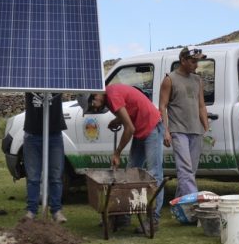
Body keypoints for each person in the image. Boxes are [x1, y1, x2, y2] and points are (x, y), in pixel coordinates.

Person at [88, 83, 164, 233]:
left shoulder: (112, 95)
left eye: (93, 105)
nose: (95, 109)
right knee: (130, 173)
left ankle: (153, 219)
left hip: (151, 127)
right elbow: (129, 111)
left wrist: (117, 152)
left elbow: (130, 128)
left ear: (96, 95)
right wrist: (117, 120)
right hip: (141, 129)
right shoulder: (109, 96)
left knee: (154, 175)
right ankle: (124, 216)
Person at [159, 47, 210, 200]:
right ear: (183, 60)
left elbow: (201, 105)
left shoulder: (197, 80)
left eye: (197, 61)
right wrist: (166, 131)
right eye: (193, 61)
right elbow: (162, 106)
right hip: (178, 130)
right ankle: (193, 205)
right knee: (185, 170)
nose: (196, 65)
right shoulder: (170, 79)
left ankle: (180, 206)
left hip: (196, 131)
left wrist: (206, 127)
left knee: (190, 171)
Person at [23, 92, 68, 223]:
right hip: (32, 134)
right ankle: (31, 211)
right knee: (33, 177)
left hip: (54, 134)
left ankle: (56, 211)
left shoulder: (59, 76)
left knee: (55, 176)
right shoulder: (29, 77)